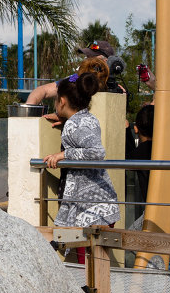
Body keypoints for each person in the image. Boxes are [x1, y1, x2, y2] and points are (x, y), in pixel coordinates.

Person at [42, 73, 120, 263]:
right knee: (96, 265)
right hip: (103, 204)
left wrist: (64, 154)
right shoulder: (87, 119)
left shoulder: (74, 125)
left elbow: (96, 152)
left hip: (89, 209)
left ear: (61, 101)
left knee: (88, 268)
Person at [127, 104, 170, 271]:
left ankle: (168, 267)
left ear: (137, 129)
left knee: (129, 238)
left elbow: (127, 159)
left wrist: (125, 132)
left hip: (162, 217)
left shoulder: (142, 152)